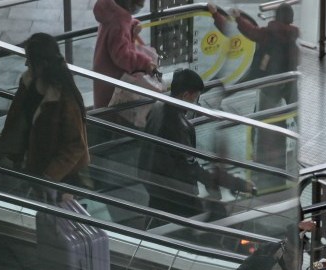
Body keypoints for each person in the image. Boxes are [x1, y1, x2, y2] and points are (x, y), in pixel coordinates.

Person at [137, 69, 252, 221]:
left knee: (159, 215)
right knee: (207, 217)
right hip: (172, 189)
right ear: (186, 95)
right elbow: (189, 166)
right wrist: (234, 183)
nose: (196, 103)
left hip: (152, 179)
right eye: (195, 97)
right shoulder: (177, 125)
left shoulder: (159, 106)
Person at [0, 33, 90, 194]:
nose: (26, 64)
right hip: (30, 167)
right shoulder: (28, 82)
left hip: (55, 180)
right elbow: (16, 121)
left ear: (43, 64)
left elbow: (75, 145)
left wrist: (49, 177)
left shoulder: (65, 99)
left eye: (29, 60)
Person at [209, 2, 299, 108]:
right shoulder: (293, 36)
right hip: (289, 80)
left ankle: (221, 98)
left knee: (244, 88)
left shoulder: (269, 33)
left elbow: (251, 31)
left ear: (277, 16)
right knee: (293, 108)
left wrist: (237, 17)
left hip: (265, 77)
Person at [92, 0, 157, 109]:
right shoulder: (118, 23)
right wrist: (145, 63)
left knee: (103, 109)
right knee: (110, 113)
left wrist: (131, 24)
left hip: (104, 71)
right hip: (113, 78)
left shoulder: (111, 13)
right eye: (139, 4)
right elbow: (122, 56)